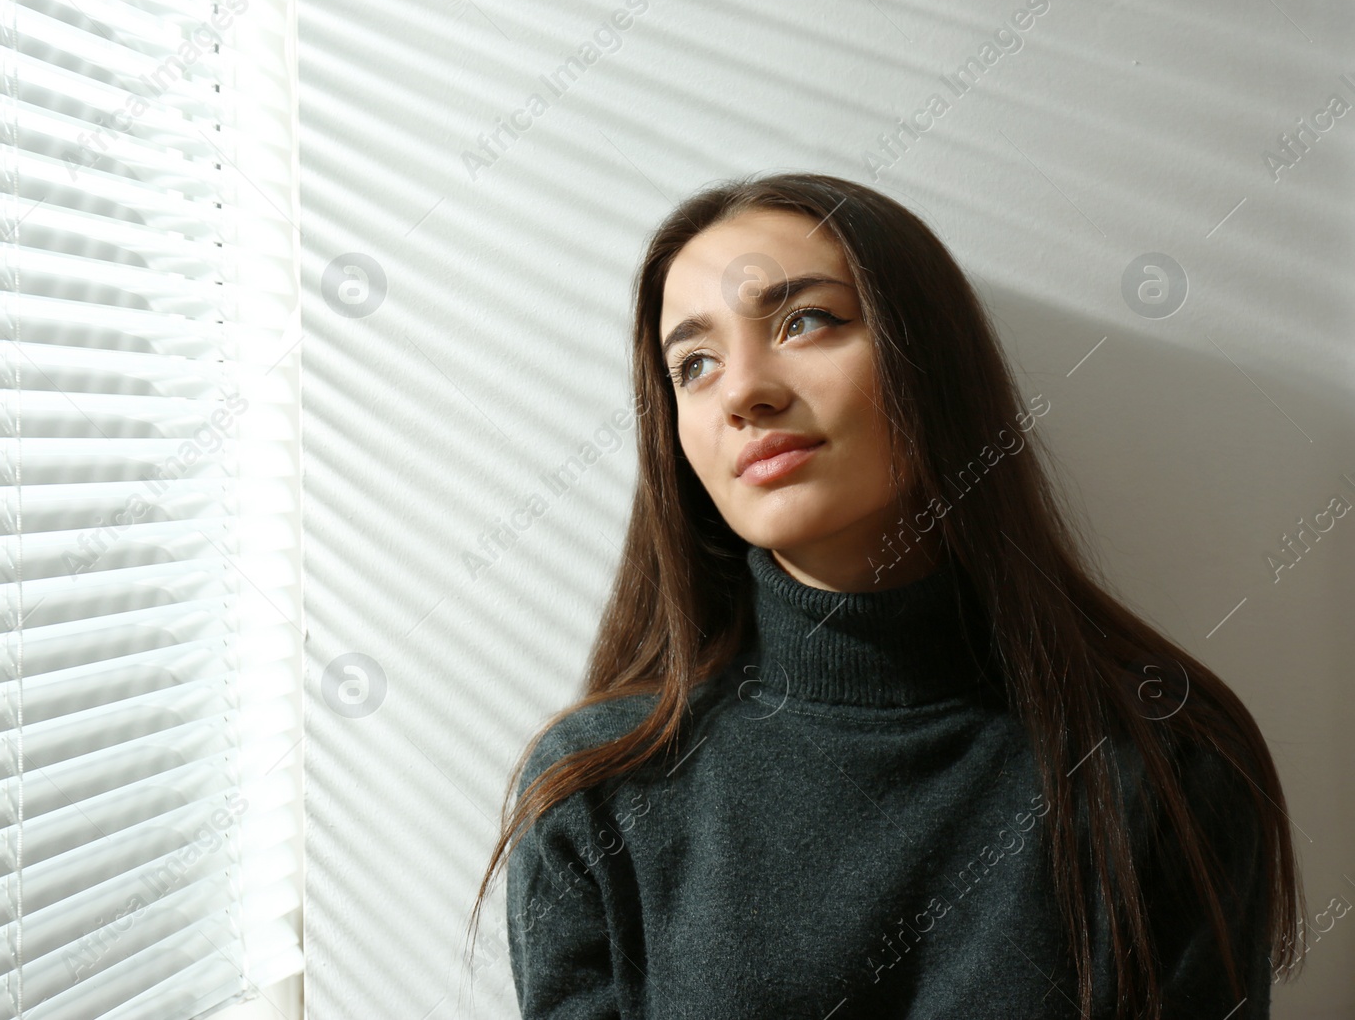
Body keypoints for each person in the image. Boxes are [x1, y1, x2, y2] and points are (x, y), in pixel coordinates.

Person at [465, 172, 1304, 1019]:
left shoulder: (1164, 762)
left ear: (928, 356)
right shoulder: (598, 791)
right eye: (694, 363)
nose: (743, 392)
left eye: (805, 321)